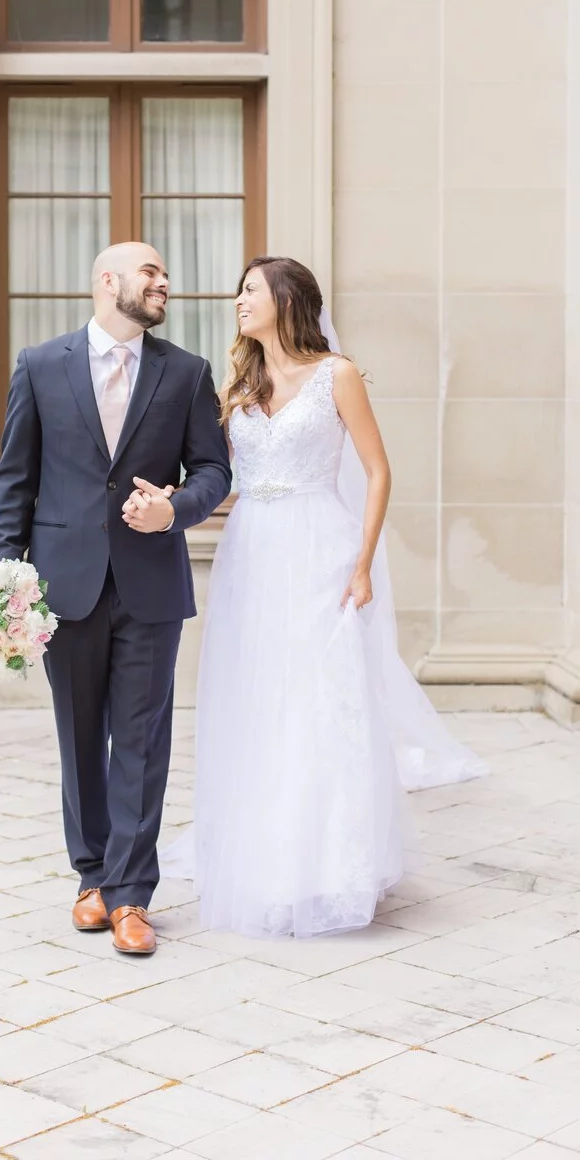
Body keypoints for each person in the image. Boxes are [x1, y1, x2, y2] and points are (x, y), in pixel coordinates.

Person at [160, 256, 486, 938]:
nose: (239, 300)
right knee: (259, 693)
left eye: (251, 289)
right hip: (252, 551)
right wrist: (174, 502)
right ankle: (265, 845)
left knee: (319, 695)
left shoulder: (336, 374)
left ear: (286, 299)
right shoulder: (240, 386)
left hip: (320, 548)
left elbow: (376, 471)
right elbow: (226, 481)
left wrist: (362, 563)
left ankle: (331, 860)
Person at [0, 242, 231, 956]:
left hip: (151, 586)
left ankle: (131, 895)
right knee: (79, 738)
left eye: (163, 271)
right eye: (149, 272)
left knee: (144, 743)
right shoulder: (40, 365)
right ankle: (90, 876)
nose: (163, 282)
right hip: (64, 585)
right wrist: (4, 582)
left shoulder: (186, 373)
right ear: (107, 281)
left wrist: (177, 509)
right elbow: (14, 481)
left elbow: (214, 468)